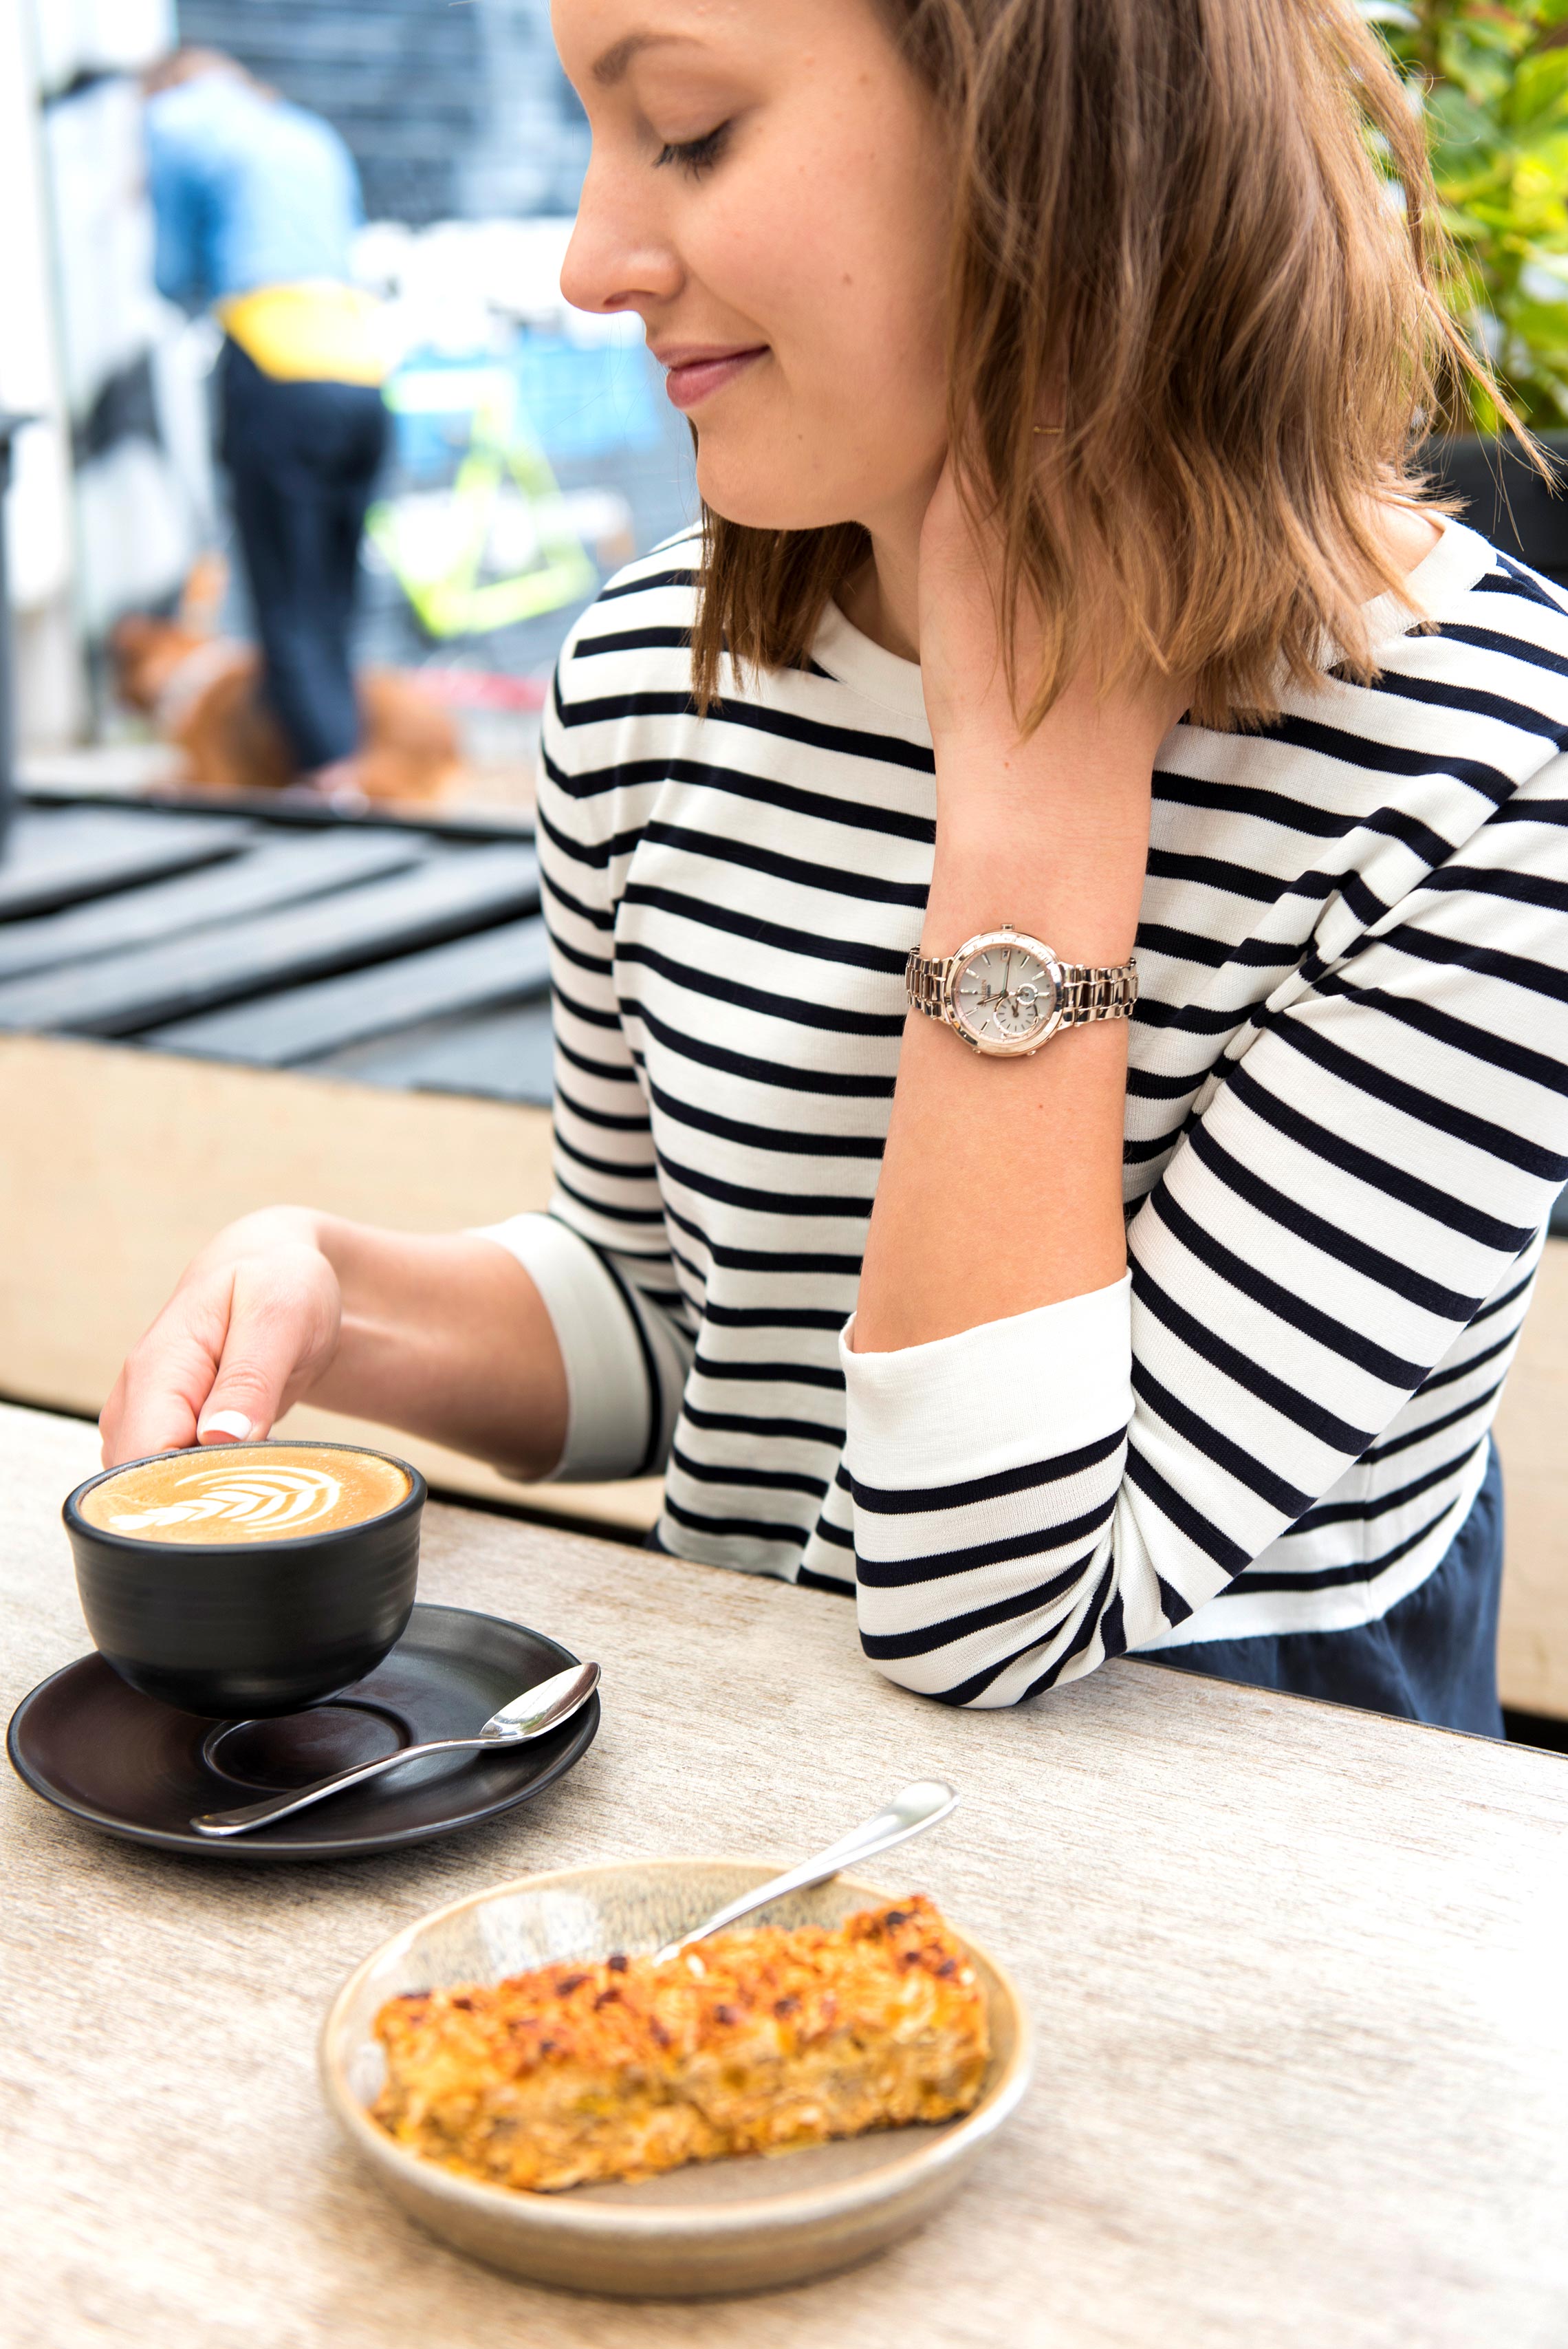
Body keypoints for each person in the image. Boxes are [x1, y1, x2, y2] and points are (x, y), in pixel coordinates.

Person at [104, 0, 1568, 1734]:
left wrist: (1026, 820)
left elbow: (989, 1604)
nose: (590, 263)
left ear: (1054, 141)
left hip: (1247, 1903)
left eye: (693, 131)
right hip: (760, 1837)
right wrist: (349, 1297)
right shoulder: (658, 674)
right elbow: (685, 1322)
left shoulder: (1480, 774)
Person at [142, 48, 390, 795]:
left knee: (283, 585)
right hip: (361, 360)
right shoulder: (306, 131)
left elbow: (169, 270)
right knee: (338, 588)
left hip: (273, 359)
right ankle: (347, 751)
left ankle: (325, 775)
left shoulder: (171, 120)